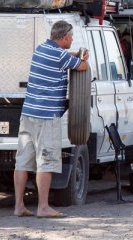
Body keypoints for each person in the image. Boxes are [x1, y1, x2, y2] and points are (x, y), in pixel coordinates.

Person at [13, 20, 89, 218]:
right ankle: (43, 207)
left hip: (28, 114)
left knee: (22, 162)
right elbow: (82, 66)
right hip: (47, 117)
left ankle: (19, 206)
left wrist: (73, 55)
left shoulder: (41, 49)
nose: (72, 39)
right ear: (64, 37)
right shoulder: (60, 56)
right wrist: (83, 57)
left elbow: (63, 58)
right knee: (45, 161)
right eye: (71, 36)